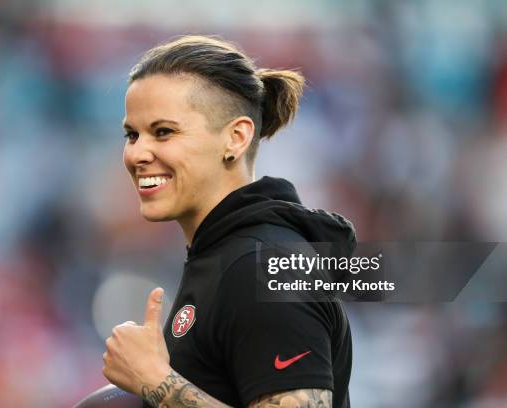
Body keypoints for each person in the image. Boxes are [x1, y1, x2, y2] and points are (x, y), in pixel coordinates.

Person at [102, 35, 355, 408]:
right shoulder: (222, 254)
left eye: (164, 132)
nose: (138, 153)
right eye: (132, 134)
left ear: (235, 138)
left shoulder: (265, 268)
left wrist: (155, 381)